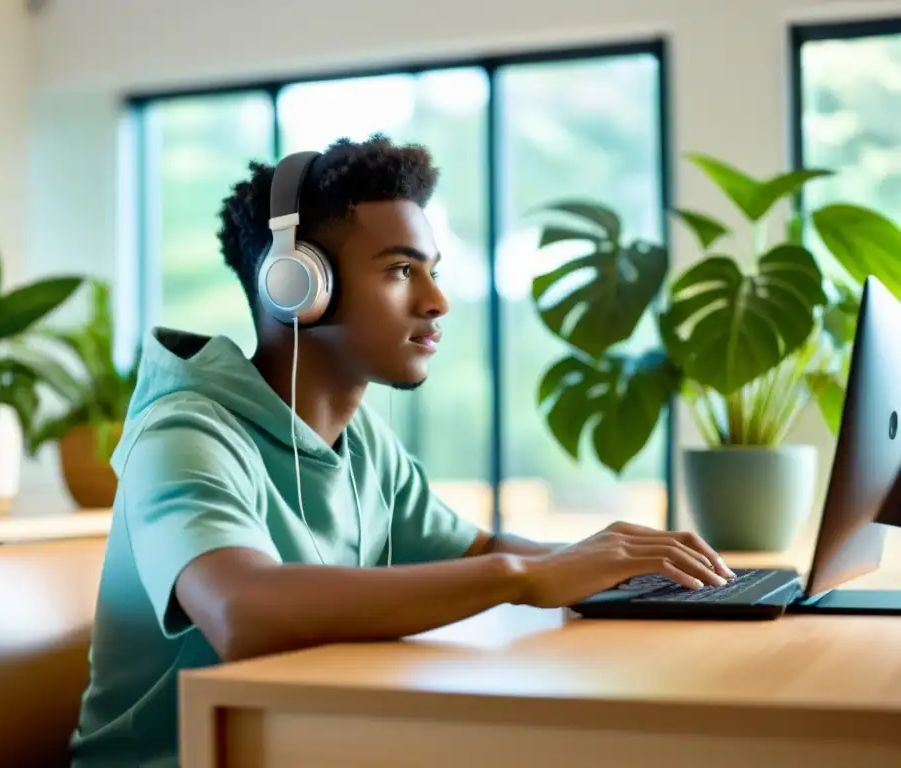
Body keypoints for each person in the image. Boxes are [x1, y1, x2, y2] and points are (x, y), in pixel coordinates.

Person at [68, 134, 734, 767]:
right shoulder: (185, 434)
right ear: (297, 285)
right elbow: (243, 611)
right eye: (401, 271)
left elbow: (474, 549)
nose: (437, 300)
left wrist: (618, 561)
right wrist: (522, 577)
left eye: (433, 271)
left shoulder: (362, 446)